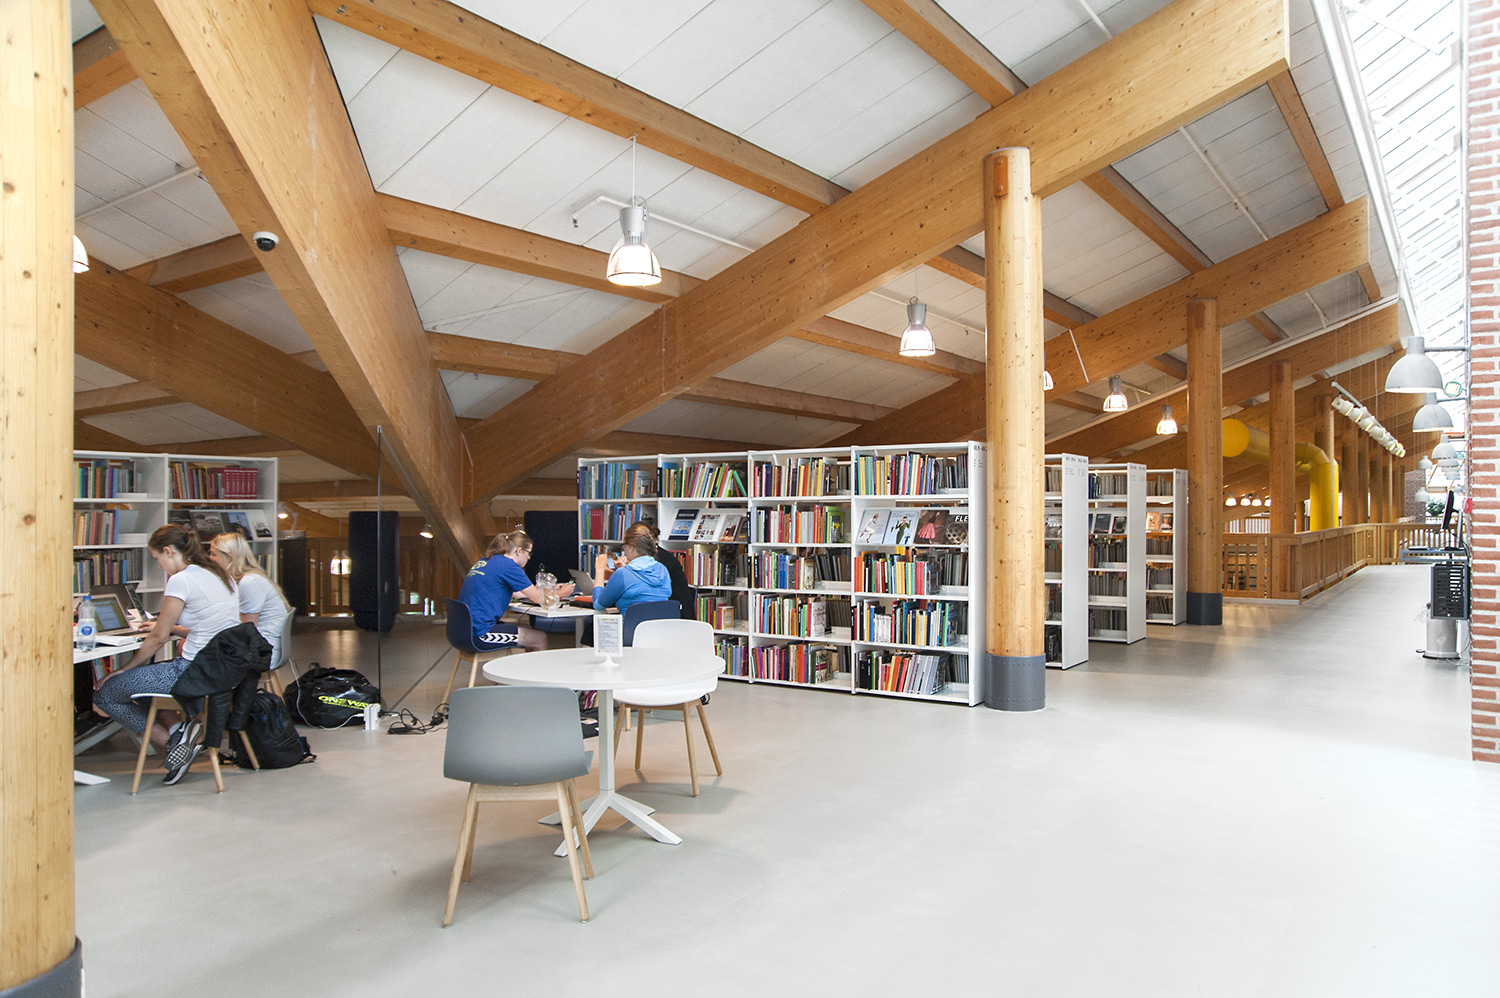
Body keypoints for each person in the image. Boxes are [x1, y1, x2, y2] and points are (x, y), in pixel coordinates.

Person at [93, 524, 242, 784]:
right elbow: (209, 625)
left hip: (193, 672)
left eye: (157, 558)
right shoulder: (219, 574)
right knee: (142, 687)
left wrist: (123, 668)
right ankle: (179, 734)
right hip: (225, 670)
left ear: (168, 551)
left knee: (105, 693)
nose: (159, 565)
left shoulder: (181, 580)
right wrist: (169, 627)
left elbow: (158, 638)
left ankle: (175, 746)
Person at [458, 530, 573, 652]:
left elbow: (518, 594)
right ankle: (536, 665)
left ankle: (528, 665)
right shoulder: (509, 566)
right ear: (519, 551)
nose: (529, 557)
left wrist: (552, 589)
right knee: (539, 638)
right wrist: (561, 593)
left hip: (462, 630)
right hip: (480, 634)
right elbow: (539, 599)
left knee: (528, 629)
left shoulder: (487, 561)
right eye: (529, 552)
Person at [209, 532, 291, 666]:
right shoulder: (249, 579)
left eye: (213, 554)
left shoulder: (249, 582)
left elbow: (247, 630)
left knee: (198, 652)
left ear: (229, 557)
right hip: (261, 647)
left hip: (262, 652)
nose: (210, 558)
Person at [625, 520, 696, 619]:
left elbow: (643, 590)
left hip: (673, 616)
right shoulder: (661, 557)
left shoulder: (657, 563)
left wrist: (627, 571)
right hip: (673, 612)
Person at [592, 530, 672, 615]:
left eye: (624, 546)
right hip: (660, 623)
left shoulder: (622, 574)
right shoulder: (663, 569)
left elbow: (598, 605)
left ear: (631, 547)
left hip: (631, 623)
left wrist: (599, 570)